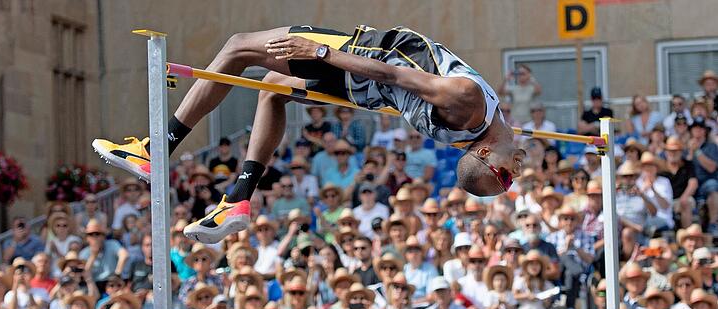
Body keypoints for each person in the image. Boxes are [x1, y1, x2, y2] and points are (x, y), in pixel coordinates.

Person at [94, 24, 524, 244]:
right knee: (273, 93)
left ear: (483, 152)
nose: (514, 175)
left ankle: (158, 148)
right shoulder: (491, 128)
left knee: (239, 47)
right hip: (368, 89)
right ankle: (238, 200)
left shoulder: (466, 102)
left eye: (505, 177)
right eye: (507, 180)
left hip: (363, 61)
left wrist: (321, 52)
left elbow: (395, 72)